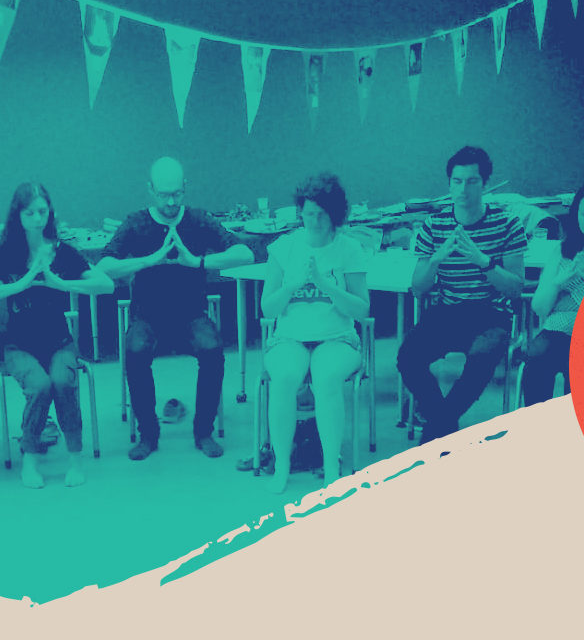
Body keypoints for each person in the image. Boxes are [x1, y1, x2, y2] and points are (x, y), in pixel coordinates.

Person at [97, 156, 254, 460]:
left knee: (212, 350)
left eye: (177, 193)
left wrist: (197, 262)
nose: (170, 202)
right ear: (150, 190)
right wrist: (148, 260)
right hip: (147, 316)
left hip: (191, 315)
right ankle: (148, 434)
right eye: (163, 194)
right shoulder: (136, 223)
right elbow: (103, 265)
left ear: (185, 187)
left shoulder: (199, 220)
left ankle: (203, 432)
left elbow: (244, 254)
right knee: (135, 351)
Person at [0, 183, 113, 488]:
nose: (37, 218)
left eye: (42, 212)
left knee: (62, 381)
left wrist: (61, 284)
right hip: (19, 346)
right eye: (29, 213)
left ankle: (75, 460)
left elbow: (106, 285)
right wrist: (19, 285)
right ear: (18, 215)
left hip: (60, 342)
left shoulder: (62, 252)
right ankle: (29, 461)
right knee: (40, 386)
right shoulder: (5, 253)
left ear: (50, 213)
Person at [239, 174, 370, 493]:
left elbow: (361, 309)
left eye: (322, 214)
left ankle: (330, 466)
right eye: (309, 213)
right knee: (284, 377)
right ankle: (282, 464)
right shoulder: (284, 248)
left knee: (326, 378)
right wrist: (292, 285)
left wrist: (326, 286)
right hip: (290, 337)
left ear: (335, 214)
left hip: (337, 337)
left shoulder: (349, 248)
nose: (314, 221)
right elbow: (268, 308)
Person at [397, 146, 526, 444]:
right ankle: (444, 425)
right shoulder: (434, 225)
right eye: (457, 181)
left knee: (481, 358)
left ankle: (436, 430)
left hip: (491, 313)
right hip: (449, 310)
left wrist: (483, 261)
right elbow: (418, 288)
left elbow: (516, 288)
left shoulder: (507, 224)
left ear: (485, 184)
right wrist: (435, 260)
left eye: (472, 181)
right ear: (449, 184)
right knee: (408, 358)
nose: (463, 189)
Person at [522, 184, 584, 405]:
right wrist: (559, 283)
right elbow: (539, 308)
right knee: (537, 357)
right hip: (560, 328)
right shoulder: (563, 250)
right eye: (583, 213)